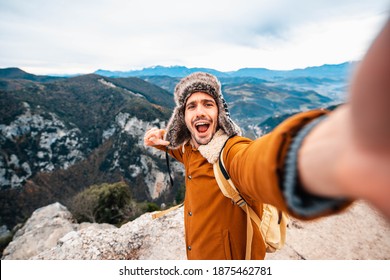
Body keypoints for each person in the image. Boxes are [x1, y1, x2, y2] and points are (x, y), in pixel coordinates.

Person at [144, 18, 390, 260]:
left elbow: (257, 163)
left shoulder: (230, 153)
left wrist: (319, 152)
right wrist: (161, 139)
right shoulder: (191, 148)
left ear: (219, 113)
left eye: (208, 104)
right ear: (183, 118)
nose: (199, 111)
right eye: (191, 107)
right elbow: (182, 150)